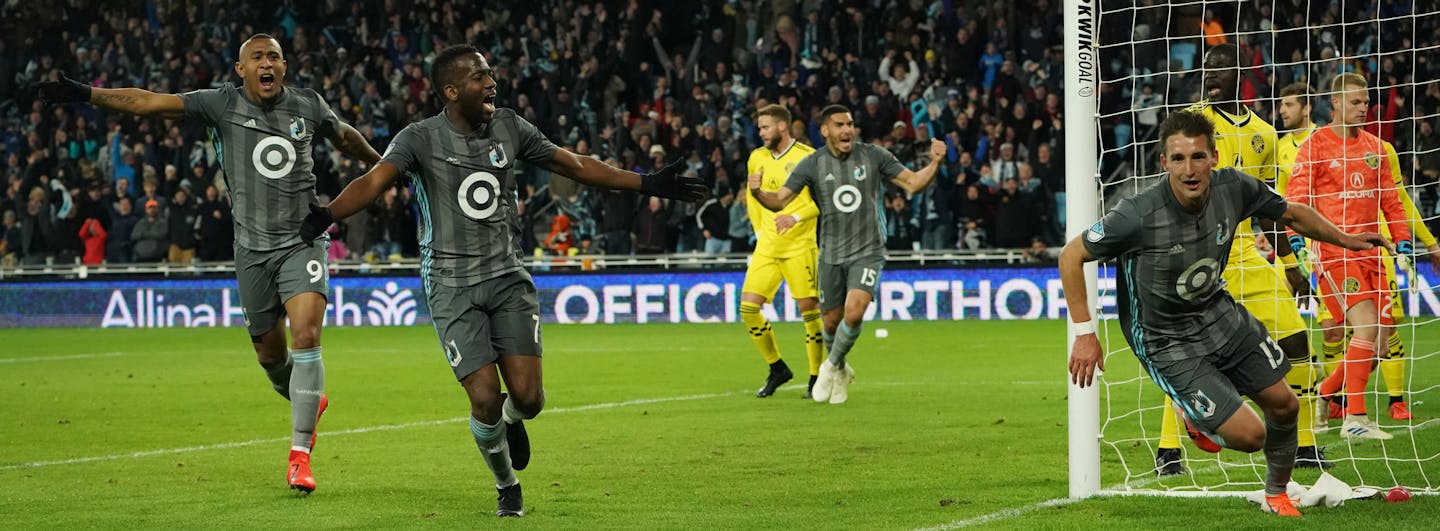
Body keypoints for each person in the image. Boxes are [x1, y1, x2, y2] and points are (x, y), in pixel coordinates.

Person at [297, 44, 705, 517]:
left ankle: (515, 421)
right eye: (479, 76)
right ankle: (505, 483)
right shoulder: (419, 138)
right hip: (450, 282)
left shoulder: (509, 126)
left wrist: (646, 182)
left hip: (507, 275)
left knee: (528, 399)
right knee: (485, 398)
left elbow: (573, 164)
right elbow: (373, 181)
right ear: (451, 91)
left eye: (491, 73)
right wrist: (327, 214)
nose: (491, 82)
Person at [38, 33, 383, 494]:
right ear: (240, 70)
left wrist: (386, 165)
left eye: (274, 57)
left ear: (285, 67)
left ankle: (299, 455)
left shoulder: (309, 105)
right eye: (257, 57)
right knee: (270, 354)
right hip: (251, 251)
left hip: (302, 241)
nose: (267, 63)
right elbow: (147, 103)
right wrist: (86, 93)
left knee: (307, 334)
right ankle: (305, 397)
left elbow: (346, 137)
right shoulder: (219, 104)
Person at [1063, 110, 1391, 517]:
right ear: (1164, 163)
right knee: (1251, 436)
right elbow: (1071, 255)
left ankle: (1276, 494)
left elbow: (1289, 213)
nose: (1189, 168)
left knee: (1285, 406)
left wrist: (1347, 239)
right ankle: (1196, 417)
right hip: (1165, 339)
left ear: (1214, 157)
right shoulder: (1138, 214)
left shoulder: (1233, 188)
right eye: (1178, 159)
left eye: (1198, 156)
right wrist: (1084, 333)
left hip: (1219, 314)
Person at [1154, 43, 1327, 475]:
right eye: (1206, 68)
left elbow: (1271, 209)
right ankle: (1168, 449)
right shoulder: (1191, 125)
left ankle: (1304, 444)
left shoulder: (1265, 134)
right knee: (1183, 352)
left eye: (1221, 68)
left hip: (1246, 255)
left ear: (1242, 73)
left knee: (1296, 341)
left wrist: (1290, 265)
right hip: (1195, 258)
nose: (1211, 75)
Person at [750, 104, 946, 404]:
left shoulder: (874, 155)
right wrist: (757, 193)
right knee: (830, 321)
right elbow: (778, 201)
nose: (847, 130)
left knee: (854, 312)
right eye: (839, 125)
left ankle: (829, 366)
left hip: (868, 250)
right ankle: (840, 368)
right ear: (825, 130)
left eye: (850, 124)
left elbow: (913, 183)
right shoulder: (813, 163)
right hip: (830, 253)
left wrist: (934, 163)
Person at [1277, 82, 1440, 423]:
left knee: (1379, 345)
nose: (1362, 108)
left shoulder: (1378, 149)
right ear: (1335, 102)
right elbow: (1295, 200)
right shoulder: (1314, 146)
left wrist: (1404, 243)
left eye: (1366, 101)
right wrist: (1296, 243)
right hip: (1334, 252)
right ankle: (1357, 419)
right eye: (1355, 101)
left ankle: (1326, 393)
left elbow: (1393, 203)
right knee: (1363, 330)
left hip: (1373, 254)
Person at [741, 104, 822, 398]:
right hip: (767, 247)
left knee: (809, 312)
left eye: (765, 127)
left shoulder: (808, 158)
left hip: (800, 246)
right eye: (759, 128)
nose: (760, 132)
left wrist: (796, 218)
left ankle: (816, 378)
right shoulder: (757, 157)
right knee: (748, 309)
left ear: (782, 127)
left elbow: (821, 201)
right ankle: (777, 367)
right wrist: (759, 231)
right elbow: (752, 196)